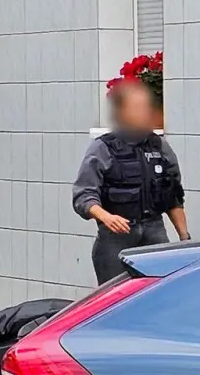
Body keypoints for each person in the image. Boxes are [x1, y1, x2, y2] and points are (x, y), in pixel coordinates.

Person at [72, 79, 189, 284]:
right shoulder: (103, 148)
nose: (144, 112)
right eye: (137, 107)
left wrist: (184, 238)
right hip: (116, 238)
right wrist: (107, 218)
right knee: (116, 297)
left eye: (146, 107)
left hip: (154, 233)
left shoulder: (159, 146)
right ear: (121, 113)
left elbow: (173, 196)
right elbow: (83, 196)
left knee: (161, 291)